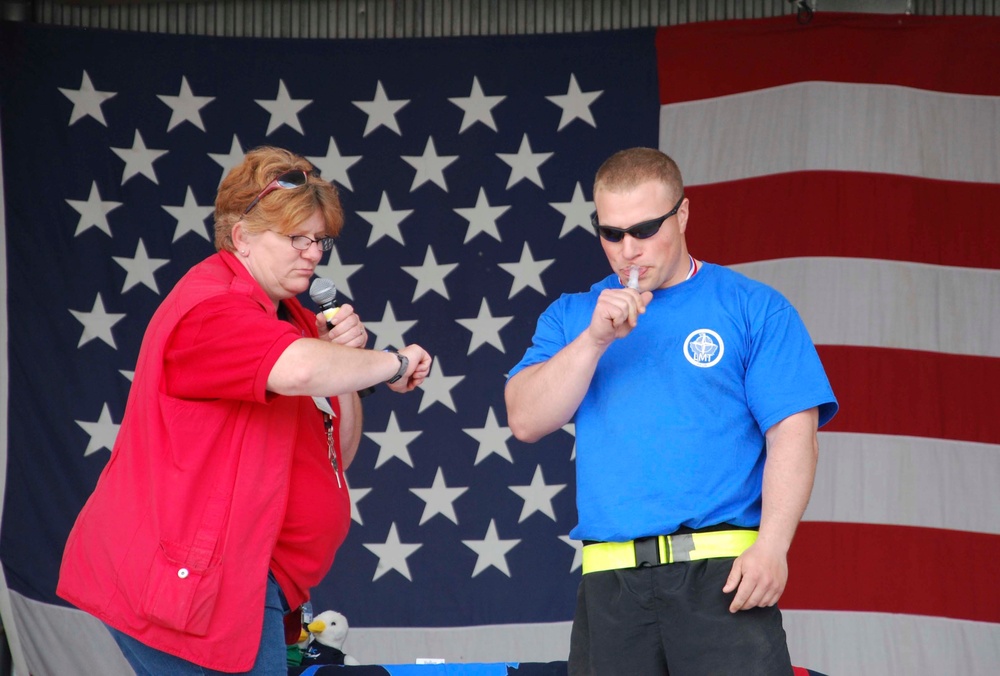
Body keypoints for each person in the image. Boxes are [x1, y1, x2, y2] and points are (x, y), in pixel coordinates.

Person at [57, 146, 433, 675]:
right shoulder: (212, 308)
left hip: (250, 582)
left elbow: (337, 457)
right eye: (296, 238)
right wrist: (390, 365)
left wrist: (347, 367)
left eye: (319, 239)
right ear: (242, 238)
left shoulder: (293, 318)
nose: (313, 254)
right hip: (196, 584)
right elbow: (298, 371)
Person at [505, 147, 837, 676]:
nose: (627, 250)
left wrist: (773, 547)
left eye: (644, 229)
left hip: (721, 575)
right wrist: (593, 341)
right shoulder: (572, 314)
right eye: (611, 233)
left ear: (682, 214)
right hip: (610, 580)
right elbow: (525, 419)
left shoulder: (754, 306)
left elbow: (795, 435)